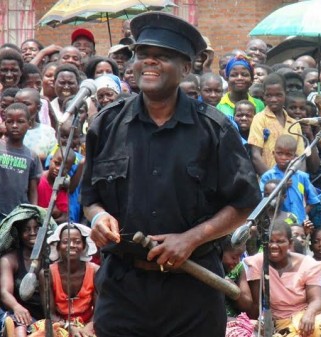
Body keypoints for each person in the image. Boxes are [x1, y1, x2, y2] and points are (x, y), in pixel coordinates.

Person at [80, 12, 261, 337]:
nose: (149, 62)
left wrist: (191, 239)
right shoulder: (106, 126)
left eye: (162, 56)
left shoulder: (214, 129)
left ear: (186, 68)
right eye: (142, 54)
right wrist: (97, 219)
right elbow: (90, 199)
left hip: (193, 291)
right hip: (123, 291)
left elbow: (245, 202)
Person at [242, 220, 321, 337]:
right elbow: (257, 305)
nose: (273, 246)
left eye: (280, 241)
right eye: (269, 241)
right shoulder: (258, 263)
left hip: (306, 318)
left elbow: (317, 299)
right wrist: (259, 321)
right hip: (279, 322)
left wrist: (310, 314)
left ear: (290, 243)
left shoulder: (307, 264)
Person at [0, 205, 55, 337]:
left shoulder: (53, 257)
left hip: (48, 314)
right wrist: (16, 307)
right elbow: (4, 292)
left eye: (36, 228)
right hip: (21, 314)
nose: (32, 233)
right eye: (26, 229)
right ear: (19, 233)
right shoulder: (10, 260)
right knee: (18, 327)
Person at [46, 223, 99, 337]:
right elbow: (50, 313)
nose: (72, 245)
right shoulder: (47, 273)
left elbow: (99, 308)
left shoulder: (95, 271)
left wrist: (88, 327)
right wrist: (69, 327)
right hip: (61, 325)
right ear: (58, 246)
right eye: (65, 242)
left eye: (77, 241)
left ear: (84, 245)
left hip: (90, 324)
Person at [247, 73, 304, 175]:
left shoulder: (295, 124)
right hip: (268, 185)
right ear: (263, 95)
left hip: (291, 182)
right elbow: (255, 156)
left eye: (278, 95)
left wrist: (298, 182)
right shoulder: (259, 119)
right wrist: (273, 181)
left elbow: (300, 158)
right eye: (269, 95)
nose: (273, 99)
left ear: (285, 94)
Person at [260, 135, 320, 224]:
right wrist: (281, 187)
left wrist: (302, 215)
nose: (283, 157)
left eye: (288, 154)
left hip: (299, 224)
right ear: (273, 153)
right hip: (277, 225)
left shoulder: (302, 177)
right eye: (279, 153)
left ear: (295, 156)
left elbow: (313, 200)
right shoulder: (268, 176)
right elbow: (262, 201)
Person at [0, 103, 42, 220]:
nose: (14, 125)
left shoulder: (32, 156)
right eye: (10, 121)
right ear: (4, 123)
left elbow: (33, 190)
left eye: (20, 121)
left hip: (19, 215)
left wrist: (33, 213)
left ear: (29, 123)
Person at [37, 147, 76, 224]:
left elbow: (65, 217)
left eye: (64, 168)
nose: (58, 169)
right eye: (57, 163)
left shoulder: (62, 188)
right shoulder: (37, 180)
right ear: (50, 160)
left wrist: (52, 217)